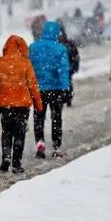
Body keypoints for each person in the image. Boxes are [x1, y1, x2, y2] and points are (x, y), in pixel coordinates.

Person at [0, 36, 43, 173]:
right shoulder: (25, 63)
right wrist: (38, 104)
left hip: (5, 105)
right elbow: (33, 86)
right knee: (19, 133)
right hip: (22, 105)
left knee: (6, 131)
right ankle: (16, 163)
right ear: (22, 48)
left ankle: (6, 157)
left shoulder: (0, 63)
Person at [29, 21, 71, 159]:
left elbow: (29, 69)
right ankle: (56, 146)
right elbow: (63, 70)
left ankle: (40, 144)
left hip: (38, 90)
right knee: (56, 118)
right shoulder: (60, 48)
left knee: (39, 118)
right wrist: (65, 88)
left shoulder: (33, 47)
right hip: (56, 89)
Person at [57, 25, 80, 107]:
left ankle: (68, 98)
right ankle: (65, 98)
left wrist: (75, 66)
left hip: (67, 68)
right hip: (62, 68)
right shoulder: (57, 44)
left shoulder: (69, 43)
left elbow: (75, 56)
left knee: (67, 84)